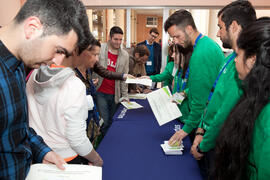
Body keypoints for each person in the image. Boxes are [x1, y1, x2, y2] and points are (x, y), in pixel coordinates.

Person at [0, 0, 90, 179]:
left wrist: (43, 152)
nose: (56, 62)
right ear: (32, 28)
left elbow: (16, 128)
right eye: (58, 49)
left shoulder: (19, 65)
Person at [190, 1, 256, 178]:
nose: (218, 33)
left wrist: (203, 144)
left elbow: (224, 112)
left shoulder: (244, 65)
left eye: (220, 27)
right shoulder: (230, 58)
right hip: (208, 137)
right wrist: (200, 130)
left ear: (233, 26)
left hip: (219, 145)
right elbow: (213, 99)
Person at [27, 40, 103, 166]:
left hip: (38, 153)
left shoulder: (34, 74)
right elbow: (77, 139)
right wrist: (96, 159)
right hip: (65, 158)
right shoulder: (74, 84)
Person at [212, 18, 270, 180]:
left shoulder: (267, 119)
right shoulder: (256, 98)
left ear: (252, 59)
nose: (235, 60)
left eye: (238, 55)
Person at [164, 10, 225, 146]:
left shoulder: (200, 54)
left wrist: (186, 130)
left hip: (209, 124)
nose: (175, 41)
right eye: (172, 38)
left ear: (189, 29)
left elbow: (199, 101)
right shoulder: (206, 44)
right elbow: (202, 86)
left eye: (177, 36)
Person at [94, 26, 129, 136]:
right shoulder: (100, 49)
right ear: (109, 37)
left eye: (120, 39)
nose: (118, 42)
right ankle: (102, 145)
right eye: (116, 39)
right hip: (100, 91)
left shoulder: (125, 55)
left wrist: (125, 96)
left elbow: (124, 78)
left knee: (113, 121)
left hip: (115, 94)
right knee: (105, 121)